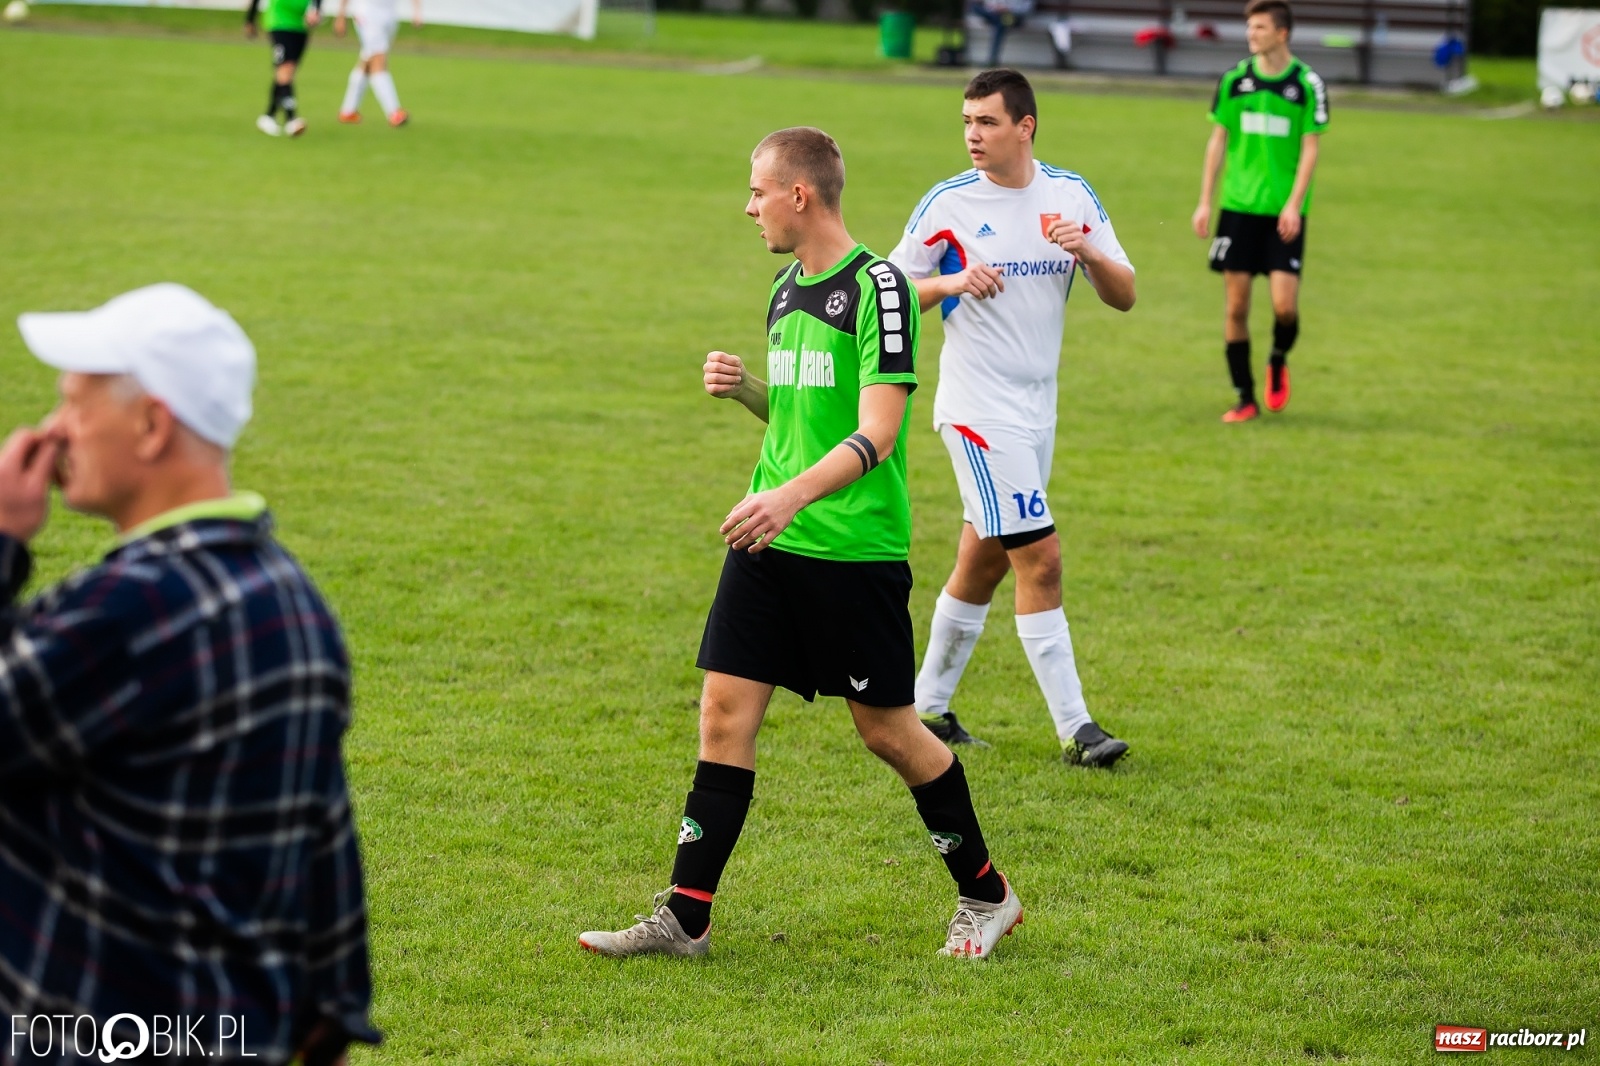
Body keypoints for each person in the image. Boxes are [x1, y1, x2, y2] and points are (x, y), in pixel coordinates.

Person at [578, 127, 1023, 961]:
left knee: (888, 732)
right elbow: (797, 420)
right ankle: (686, 915)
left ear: (800, 194)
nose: (748, 208)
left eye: (756, 192)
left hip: (850, 552)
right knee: (722, 712)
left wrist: (787, 495)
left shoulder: (882, 290)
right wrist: (746, 388)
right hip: (769, 542)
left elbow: (877, 434)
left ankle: (986, 893)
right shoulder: (786, 289)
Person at [0, 284, 379, 1065]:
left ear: (150, 425)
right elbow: (322, 831)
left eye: (74, 403)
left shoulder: (127, 612)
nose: (51, 428)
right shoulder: (295, 603)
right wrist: (335, 1007)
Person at [889, 69, 1137, 766]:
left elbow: (1124, 294)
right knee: (1042, 557)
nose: (972, 134)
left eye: (988, 122)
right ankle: (1078, 730)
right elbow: (889, 291)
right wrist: (948, 282)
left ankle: (926, 708)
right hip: (975, 411)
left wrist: (1085, 248)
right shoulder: (948, 204)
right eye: (967, 121)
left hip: (1038, 411)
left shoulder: (1069, 195)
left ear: (1025, 126)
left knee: (985, 558)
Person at [1191, 0, 1329, 422]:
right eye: (1250, 27)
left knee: (1284, 307)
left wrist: (1294, 204)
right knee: (1236, 308)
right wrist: (1204, 201)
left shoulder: (1307, 84)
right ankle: (1245, 397)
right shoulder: (1235, 80)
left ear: (1282, 33)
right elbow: (1218, 141)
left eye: (1261, 27)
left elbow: (1310, 148)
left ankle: (1277, 358)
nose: (1252, 34)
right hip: (1238, 208)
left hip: (1284, 214)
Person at [335, 0, 420, 127]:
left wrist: (417, 10)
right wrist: (341, 15)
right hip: (367, 11)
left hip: (389, 13)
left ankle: (348, 111)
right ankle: (394, 112)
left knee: (368, 59)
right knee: (378, 59)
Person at [246, 0, 322, 137]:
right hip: (280, 22)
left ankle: (269, 115)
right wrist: (250, 20)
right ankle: (291, 119)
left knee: (287, 73)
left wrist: (316, 10)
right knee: (285, 69)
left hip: (300, 25)